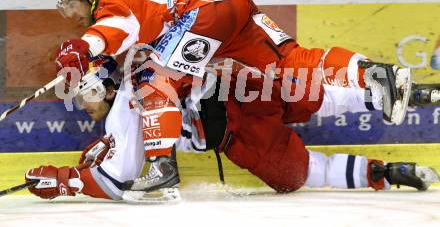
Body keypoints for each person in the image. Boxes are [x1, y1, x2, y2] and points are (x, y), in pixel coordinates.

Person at [53, 0, 417, 194]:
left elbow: (114, 28)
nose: (70, 13)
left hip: (210, 29)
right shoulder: (125, 44)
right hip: (232, 16)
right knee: (291, 165)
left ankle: (161, 164)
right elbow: (112, 48)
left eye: (70, 4)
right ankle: (376, 82)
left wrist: (81, 47)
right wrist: (92, 64)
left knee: (152, 76)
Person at [24, 61, 440, 202]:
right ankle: (387, 172)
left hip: (231, 102)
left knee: (318, 98)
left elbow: (117, 181)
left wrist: (68, 182)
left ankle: (407, 95)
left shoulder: (128, 98)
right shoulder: (126, 99)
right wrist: (88, 163)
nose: (82, 106)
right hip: (234, 125)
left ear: (98, 87)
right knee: (300, 169)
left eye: (83, 97)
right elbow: (118, 166)